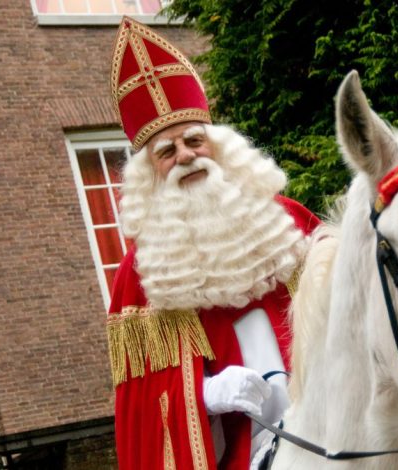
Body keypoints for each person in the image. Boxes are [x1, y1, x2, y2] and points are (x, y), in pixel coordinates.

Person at [106, 17, 320, 470]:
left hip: (336, 414)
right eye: (167, 151)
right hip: (248, 448)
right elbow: (140, 406)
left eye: (193, 141)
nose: (185, 155)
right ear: (152, 171)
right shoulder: (141, 273)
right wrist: (205, 394)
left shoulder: (288, 220)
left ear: (217, 146)